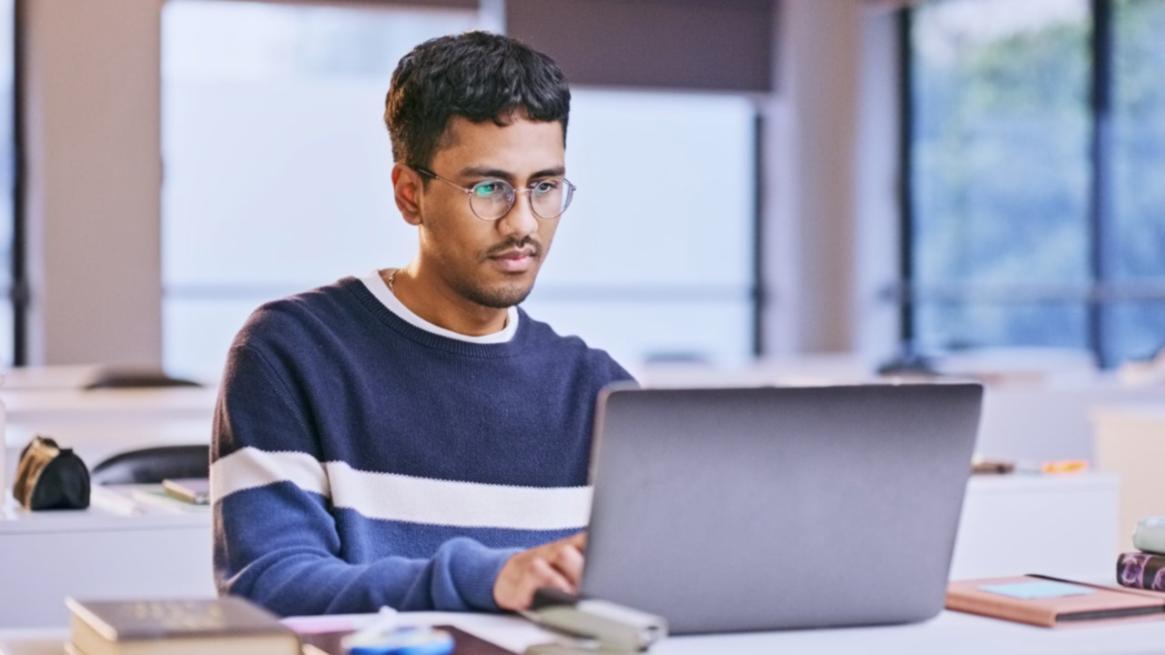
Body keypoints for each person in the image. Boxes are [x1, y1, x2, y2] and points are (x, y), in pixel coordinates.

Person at [211, 31, 633, 616]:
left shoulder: (599, 389)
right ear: (410, 195)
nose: (523, 224)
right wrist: (486, 579)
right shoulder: (290, 353)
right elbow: (267, 587)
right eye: (489, 188)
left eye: (544, 187)